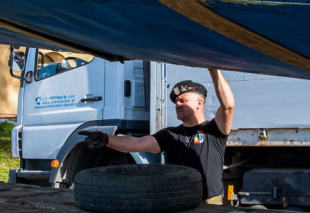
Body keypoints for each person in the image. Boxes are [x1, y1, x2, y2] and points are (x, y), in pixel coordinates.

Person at [83, 69, 234, 204]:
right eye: (176, 102)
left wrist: (213, 69)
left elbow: (228, 106)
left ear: (199, 103)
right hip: (179, 200)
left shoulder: (213, 130)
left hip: (209, 203)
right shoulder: (170, 134)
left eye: (183, 100)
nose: (177, 105)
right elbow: (137, 143)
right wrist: (107, 139)